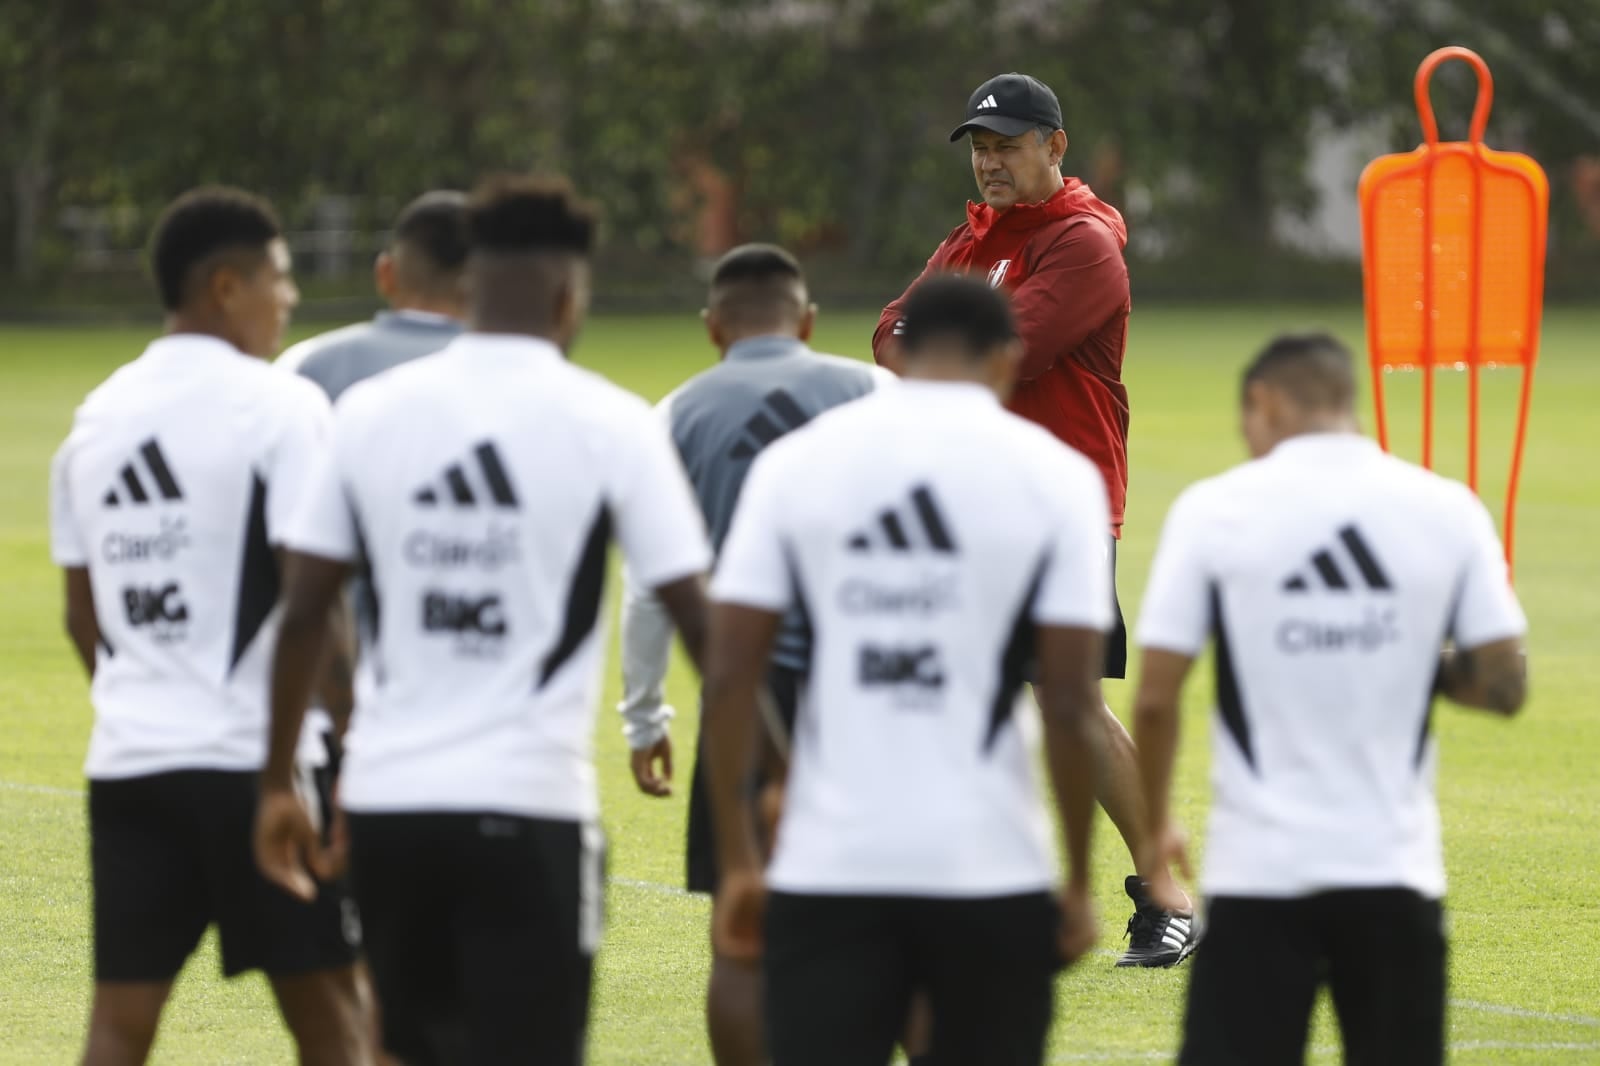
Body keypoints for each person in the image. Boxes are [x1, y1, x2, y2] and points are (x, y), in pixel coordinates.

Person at [254, 173, 715, 1064]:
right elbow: (709, 637)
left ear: (467, 288)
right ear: (568, 296)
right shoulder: (613, 424)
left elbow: (304, 610)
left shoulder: (370, 417)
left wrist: (279, 780)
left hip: (390, 805)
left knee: (399, 1046)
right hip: (531, 808)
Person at [704, 274, 1106, 1066]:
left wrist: (743, 859)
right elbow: (1069, 703)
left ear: (900, 351)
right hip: (990, 866)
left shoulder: (797, 464)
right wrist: (1080, 877)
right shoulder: (1057, 476)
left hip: (829, 865)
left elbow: (730, 676)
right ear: (1005, 360)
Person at [1132, 333, 1529, 1065]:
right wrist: (1403, 653)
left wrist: (1156, 827)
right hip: (1395, 873)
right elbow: (1506, 686)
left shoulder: (1216, 510)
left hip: (1260, 873)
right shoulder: (1446, 507)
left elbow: (1155, 699)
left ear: (1266, 403)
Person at [873, 70, 1194, 965]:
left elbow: (1000, 354)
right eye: (980, 147)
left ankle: (1166, 893)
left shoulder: (1084, 244)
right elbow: (888, 332)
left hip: (1061, 503)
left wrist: (931, 350)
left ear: (1054, 147)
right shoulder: (975, 235)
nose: (990, 163)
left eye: (1007, 145)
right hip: (958, 505)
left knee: (1070, 702)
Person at [47, 187, 366, 1066]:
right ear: (227, 287)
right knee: (338, 1017)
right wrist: (336, 741)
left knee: (117, 1028)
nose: (290, 299)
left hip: (130, 767)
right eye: (281, 278)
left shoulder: (96, 419)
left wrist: (142, 702)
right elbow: (313, 602)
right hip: (253, 769)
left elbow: (83, 614)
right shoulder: (280, 405)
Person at [617, 242, 886, 1066]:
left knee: (743, 931)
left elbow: (648, 587)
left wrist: (643, 716)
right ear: (806, 320)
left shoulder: (672, 413)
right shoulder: (881, 394)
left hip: (746, 690)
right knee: (886, 919)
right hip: (871, 690)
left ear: (712, 329)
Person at [274, 188, 470, 1066]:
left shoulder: (305, 372)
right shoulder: (527, 380)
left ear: (389, 272)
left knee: (369, 980)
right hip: (481, 717)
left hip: (344, 715)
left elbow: (284, 570)